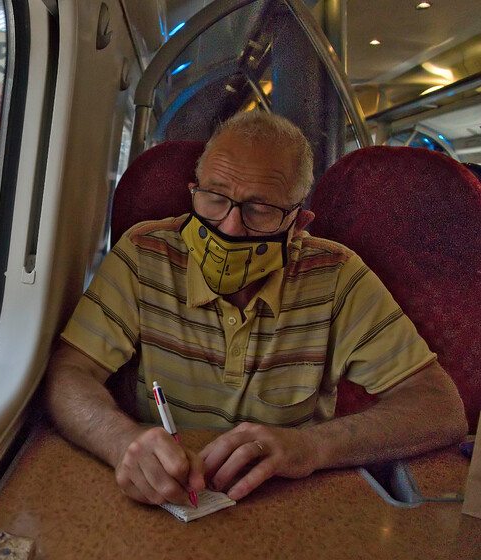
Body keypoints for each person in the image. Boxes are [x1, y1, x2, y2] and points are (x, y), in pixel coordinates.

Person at [43, 111, 468, 508]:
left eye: (260, 209)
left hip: (287, 499)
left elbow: (438, 406)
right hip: (163, 497)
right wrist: (121, 442)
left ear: (299, 222)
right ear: (194, 192)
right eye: (214, 198)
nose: (229, 226)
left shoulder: (337, 276)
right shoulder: (143, 253)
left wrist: (310, 447)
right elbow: (69, 373)